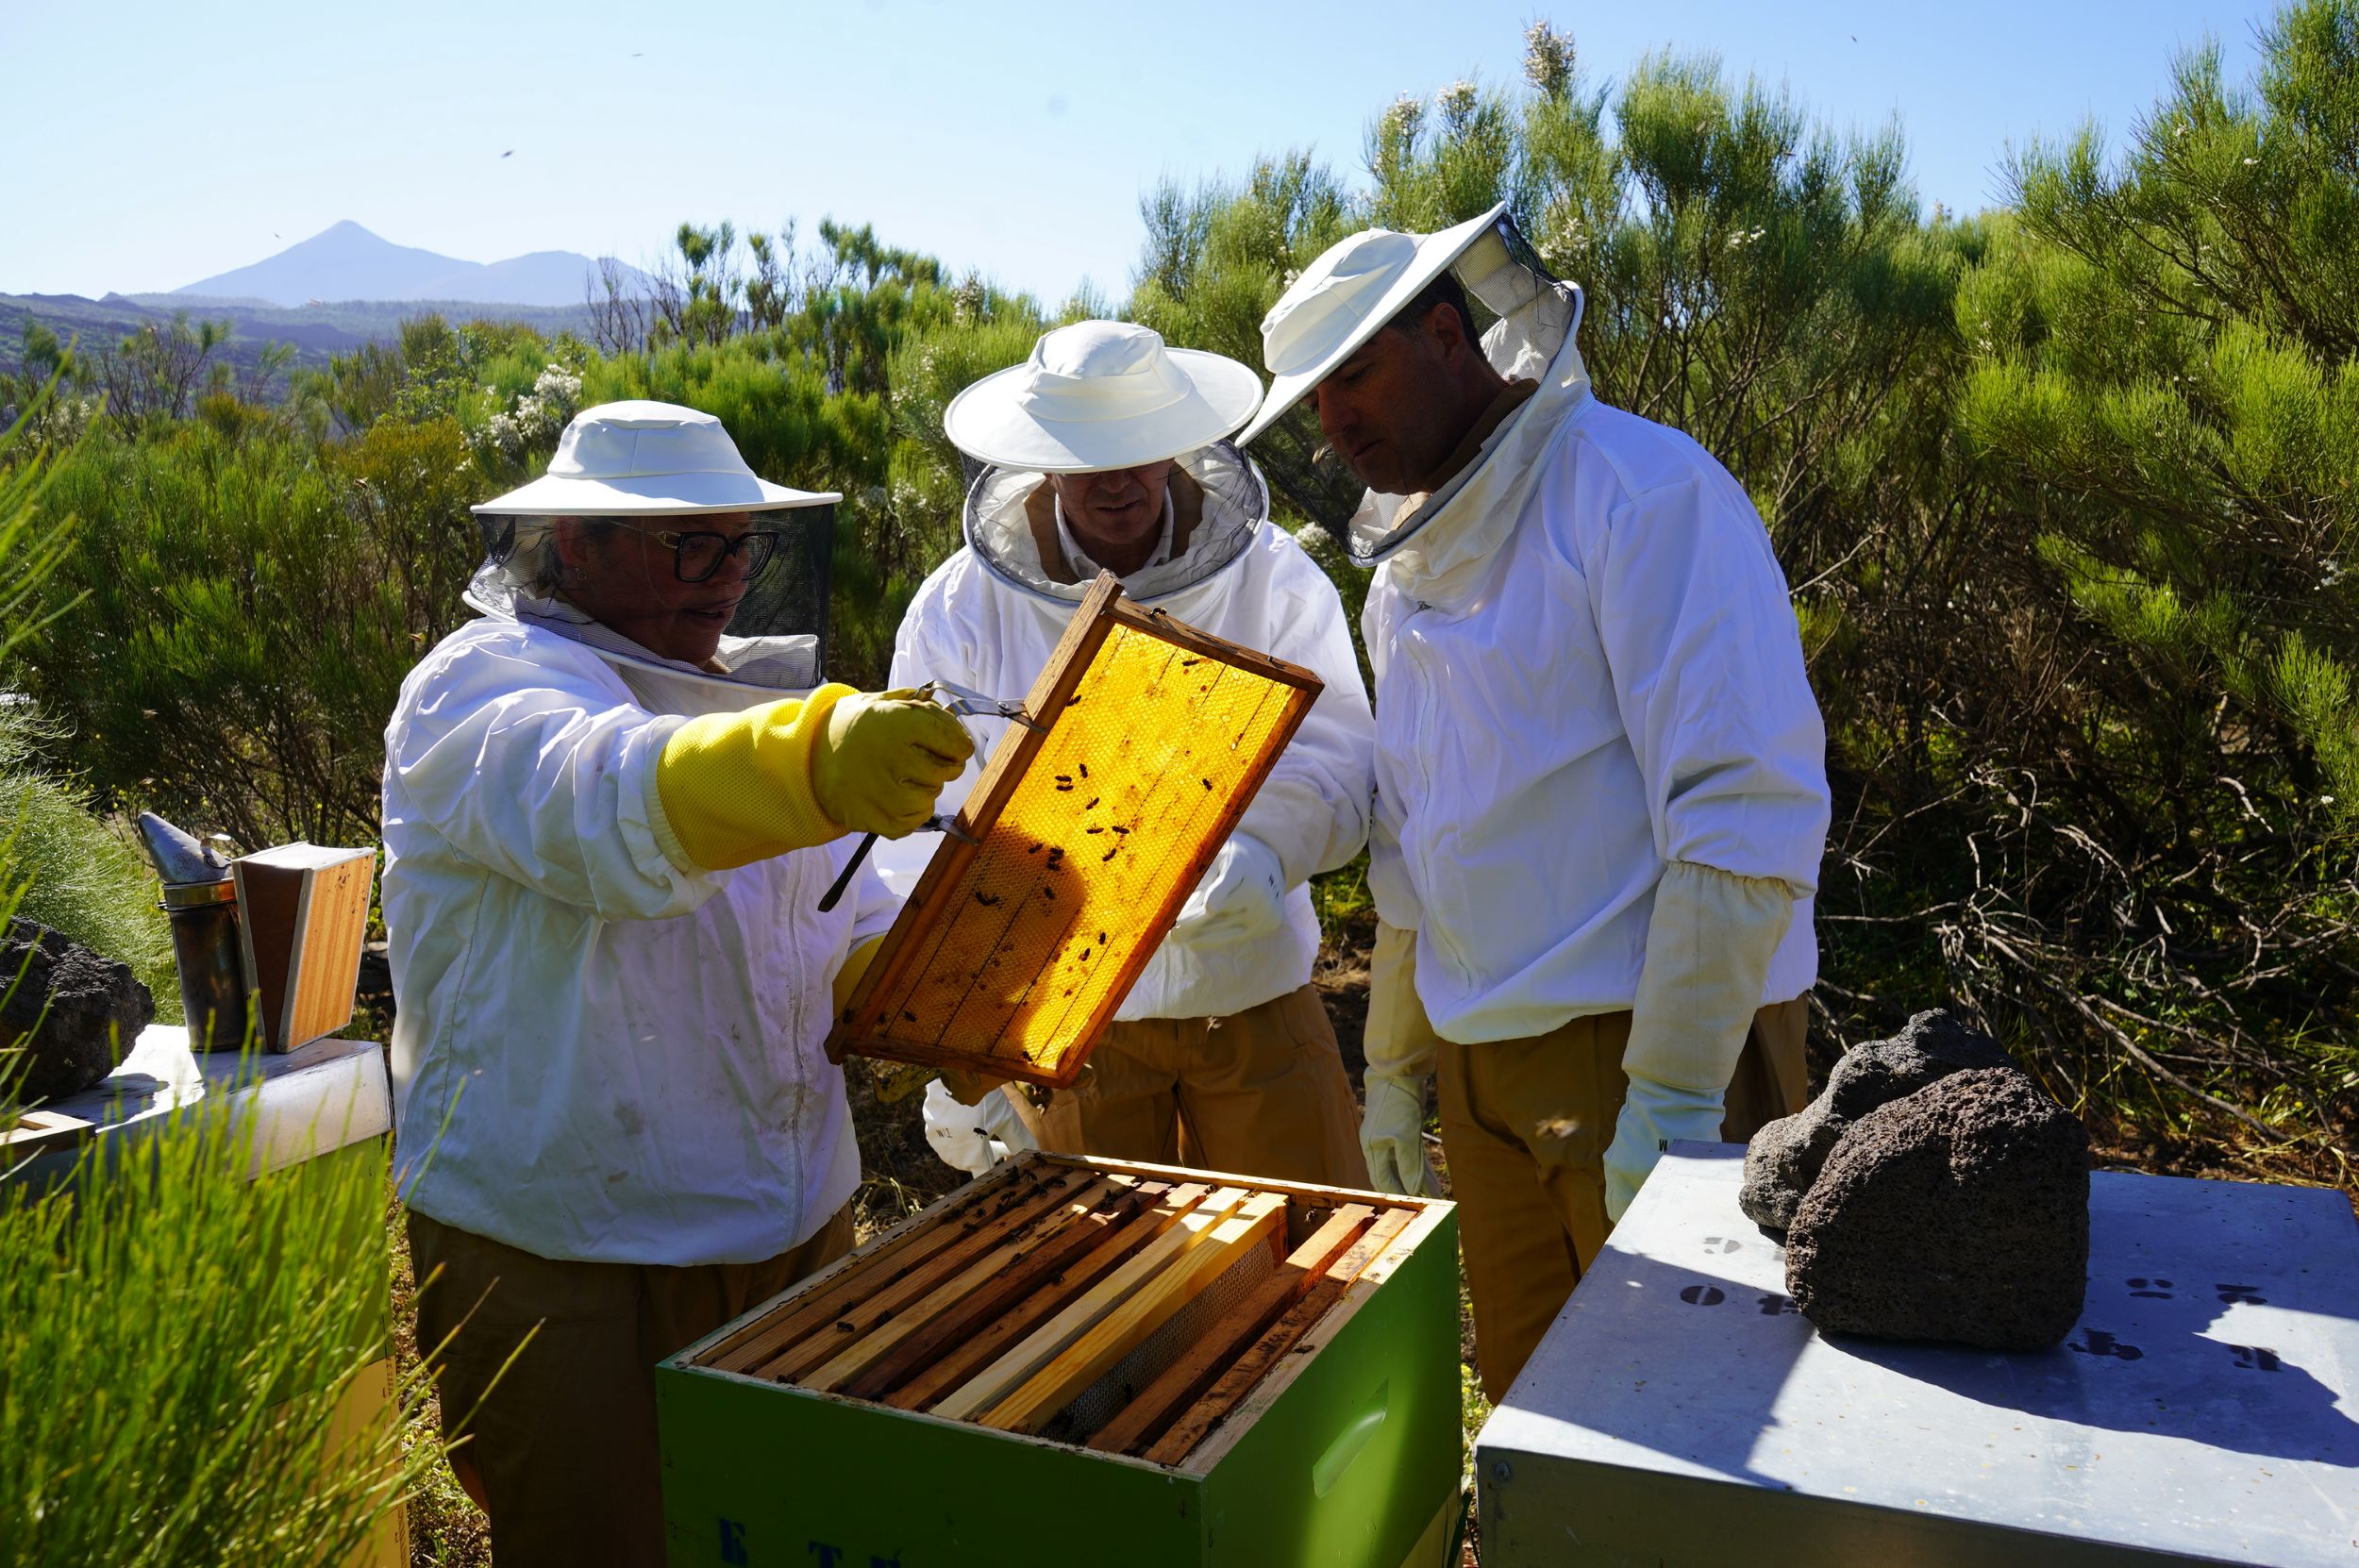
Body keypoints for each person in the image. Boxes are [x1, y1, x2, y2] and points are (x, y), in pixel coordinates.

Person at [1243, 208, 1832, 1399]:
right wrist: (1398, 1063)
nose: (1333, 420)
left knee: (1701, 1430)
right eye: (1312, 399)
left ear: (1450, 336)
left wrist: (1670, 1090)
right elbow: (1415, 840)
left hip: (1656, 1044)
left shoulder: (1638, 490)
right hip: (1481, 1067)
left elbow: (1743, 808)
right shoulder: (1401, 581)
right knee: (1541, 1420)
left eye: (1351, 374)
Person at [381, 400, 973, 1566]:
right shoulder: (480, 686)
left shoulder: (751, 705)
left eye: (740, 545)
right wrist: (808, 762)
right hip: (568, 1249)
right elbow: (600, 806)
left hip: (788, 1231)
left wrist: (959, 1000)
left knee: (784, 1538)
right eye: (686, 545)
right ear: (573, 546)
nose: (725, 578)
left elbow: (837, 931)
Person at [883, 321, 1375, 1187]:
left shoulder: (1273, 574)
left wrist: (1266, 851)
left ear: (1179, 444)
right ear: (1043, 458)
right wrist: (958, 1035)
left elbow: (1337, 754)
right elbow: (926, 818)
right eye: (1089, 456)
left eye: (1142, 450)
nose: (1118, 482)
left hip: (1253, 993)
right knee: (1120, 1292)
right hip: (1065, 1019)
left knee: (1309, 1266)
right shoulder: (959, 604)